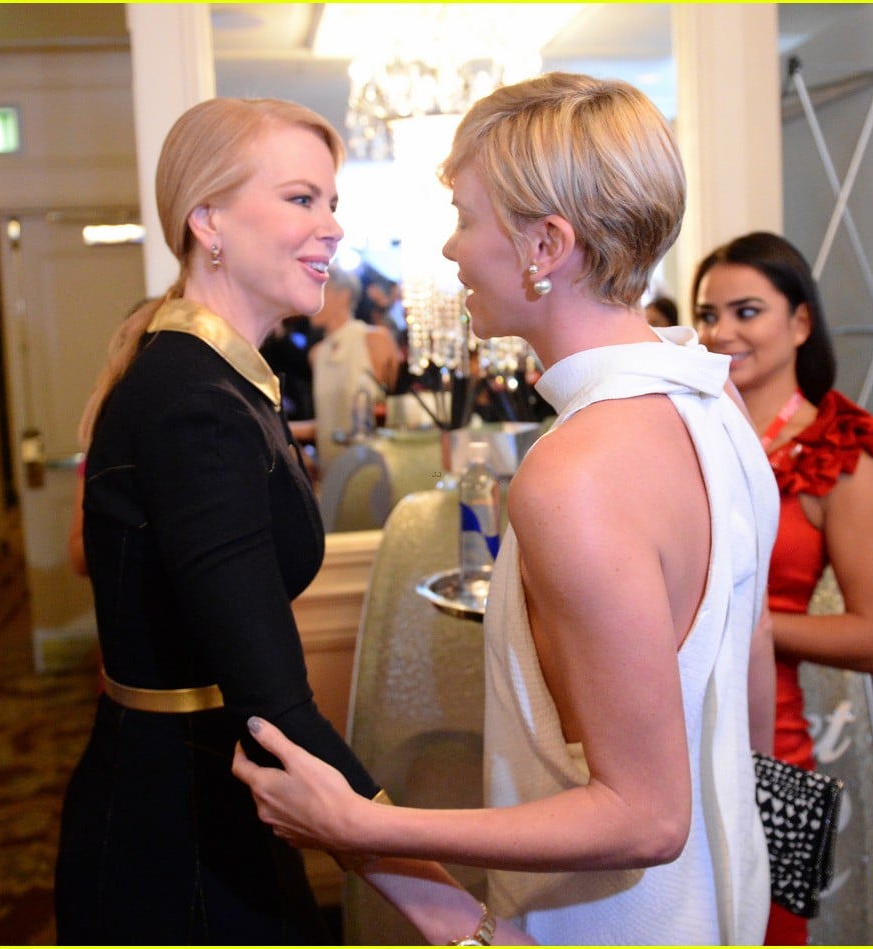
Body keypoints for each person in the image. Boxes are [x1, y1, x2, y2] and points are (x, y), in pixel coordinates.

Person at [234, 72, 778, 945]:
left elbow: (644, 818)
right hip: (720, 903)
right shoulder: (716, 403)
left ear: (546, 244)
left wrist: (366, 828)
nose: (450, 251)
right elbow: (748, 674)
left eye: (466, 219)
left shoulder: (577, 472)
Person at [54, 96, 532, 947]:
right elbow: (275, 706)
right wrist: (455, 915)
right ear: (208, 220)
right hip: (180, 834)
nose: (333, 229)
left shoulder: (224, 379)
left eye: (333, 202)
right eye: (301, 199)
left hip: (212, 795)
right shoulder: (193, 401)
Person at [693, 231, 873, 944]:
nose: (721, 332)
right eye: (707, 314)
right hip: (672, 731)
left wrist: (748, 623)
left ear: (801, 321)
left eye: (746, 311)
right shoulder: (686, 435)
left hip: (769, 746)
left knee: (768, 931)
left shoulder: (837, 453)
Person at [309, 265, 402, 474]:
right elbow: (327, 421)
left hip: (373, 471)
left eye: (319, 287)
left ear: (343, 295)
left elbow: (394, 409)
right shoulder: (316, 355)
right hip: (331, 475)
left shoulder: (375, 339)